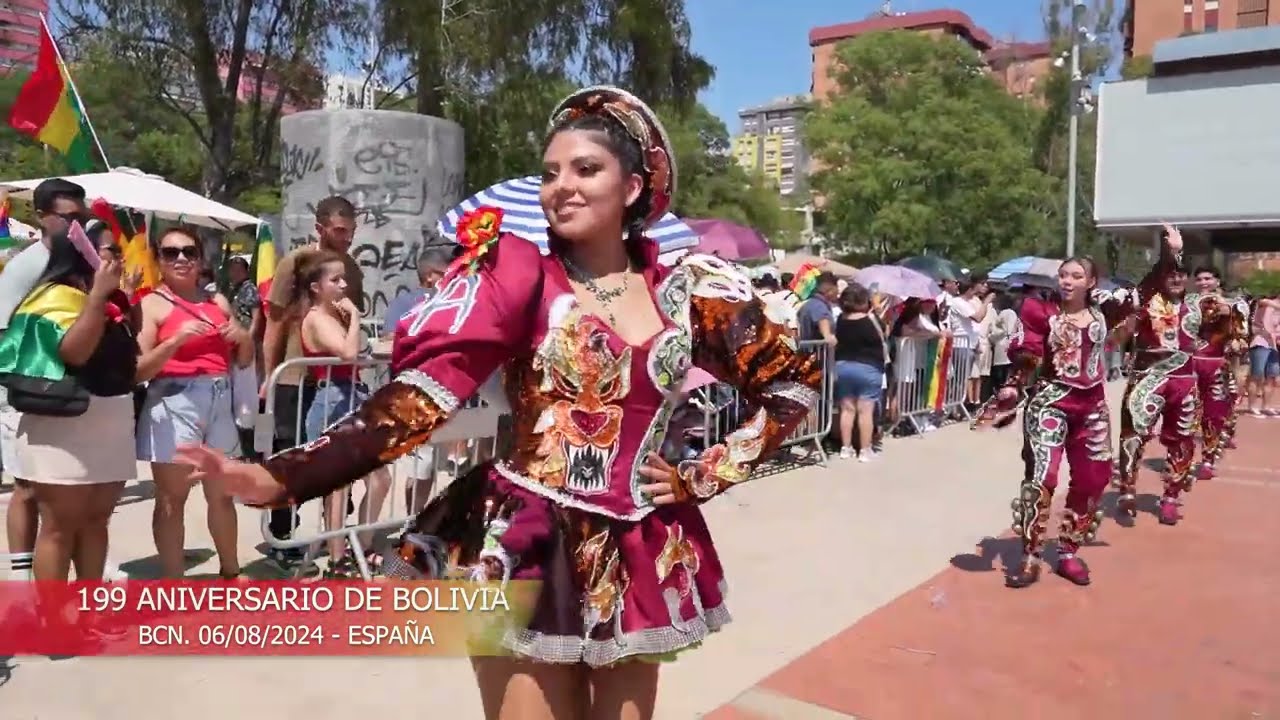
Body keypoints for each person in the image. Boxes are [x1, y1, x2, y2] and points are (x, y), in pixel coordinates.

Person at [177, 85, 822, 719]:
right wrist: (282, 476)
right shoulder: (520, 275)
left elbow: (792, 385)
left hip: (635, 546)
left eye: (585, 169)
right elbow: (419, 401)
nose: (561, 185)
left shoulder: (691, 293)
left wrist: (702, 473)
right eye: (550, 172)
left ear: (632, 188)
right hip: (522, 541)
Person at [976, 257, 1136, 587]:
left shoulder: (1104, 310)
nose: (1067, 281)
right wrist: (1011, 387)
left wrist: (1169, 255)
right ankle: (1031, 556)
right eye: (1063, 275)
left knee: (1094, 479)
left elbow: (1148, 293)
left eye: (1076, 276)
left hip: (1092, 407)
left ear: (1091, 282)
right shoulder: (1040, 310)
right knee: (1042, 479)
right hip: (1051, 402)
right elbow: (1027, 354)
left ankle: (1067, 552)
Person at [0, 224, 138, 582]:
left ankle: (88, 614)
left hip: (110, 421)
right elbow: (74, 353)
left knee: (96, 524)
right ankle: (56, 623)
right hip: (61, 425)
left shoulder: (112, 297)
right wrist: (96, 300)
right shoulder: (53, 296)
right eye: (111, 250)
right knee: (59, 529)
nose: (119, 259)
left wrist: (125, 301)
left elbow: (127, 363)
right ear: (83, 252)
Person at [135, 228, 253, 579]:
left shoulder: (217, 302)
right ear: (159, 260)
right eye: (171, 253)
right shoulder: (151, 304)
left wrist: (244, 337)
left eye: (188, 251)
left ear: (201, 258)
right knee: (173, 498)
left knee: (221, 494)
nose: (181, 259)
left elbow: (244, 359)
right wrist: (175, 342)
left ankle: (231, 571)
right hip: (172, 399)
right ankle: (174, 583)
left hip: (219, 397)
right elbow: (138, 369)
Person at [260, 196, 365, 563]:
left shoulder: (351, 268)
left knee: (335, 463)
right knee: (291, 456)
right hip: (292, 373)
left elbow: (353, 320)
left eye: (351, 232)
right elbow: (273, 323)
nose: (347, 239)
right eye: (340, 231)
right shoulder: (296, 262)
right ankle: (281, 536)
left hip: (333, 378)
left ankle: (332, 540)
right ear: (320, 227)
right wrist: (267, 377)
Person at [1111, 225, 1231, 527]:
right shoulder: (1149, 296)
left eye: (1182, 274)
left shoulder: (1198, 305)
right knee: (1133, 435)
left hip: (1184, 383)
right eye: (1171, 273)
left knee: (1182, 442)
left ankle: (1170, 497)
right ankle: (1127, 489)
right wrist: (1171, 252)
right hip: (1147, 379)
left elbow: (1225, 332)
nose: (1176, 278)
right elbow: (1154, 278)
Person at [0, 179, 89, 580]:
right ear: (40, 217)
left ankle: (70, 568)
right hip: (23, 392)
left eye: (81, 217)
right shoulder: (26, 265)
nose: (76, 226)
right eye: (67, 218)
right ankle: (22, 575)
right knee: (28, 486)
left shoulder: (84, 262)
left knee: (67, 489)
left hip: (70, 393)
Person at [295, 249, 392, 576]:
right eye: (334, 280)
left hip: (350, 396)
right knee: (340, 486)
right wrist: (357, 318)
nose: (343, 285)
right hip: (331, 401)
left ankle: (359, 546)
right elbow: (348, 352)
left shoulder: (333, 317)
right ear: (315, 287)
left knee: (379, 477)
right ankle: (337, 560)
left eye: (344, 279)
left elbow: (354, 355)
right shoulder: (317, 318)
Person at [1187, 266, 1252, 480]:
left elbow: (1242, 339)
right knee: (1186, 416)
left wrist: (1232, 338)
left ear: (1217, 281)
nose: (1203, 282)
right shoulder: (1187, 305)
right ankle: (1182, 460)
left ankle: (1208, 459)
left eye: (1208, 278)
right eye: (1199, 279)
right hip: (1189, 368)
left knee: (1213, 416)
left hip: (1217, 367)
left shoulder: (1233, 306)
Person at [833, 284, 886, 461]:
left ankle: (845, 448)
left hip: (843, 366)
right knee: (865, 411)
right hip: (868, 367)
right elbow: (884, 334)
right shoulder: (871, 319)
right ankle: (865, 450)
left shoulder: (841, 319)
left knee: (847, 410)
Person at [1245, 290, 1280, 417]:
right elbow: (1267, 326)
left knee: (1271, 377)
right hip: (1261, 342)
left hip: (1275, 345)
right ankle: (1252, 406)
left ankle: (1266, 406)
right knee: (1257, 375)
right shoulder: (1267, 304)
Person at [797, 272, 838, 346]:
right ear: (830, 289)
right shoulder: (818, 306)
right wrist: (827, 336)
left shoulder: (808, 304)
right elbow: (822, 318)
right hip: (817, 355)